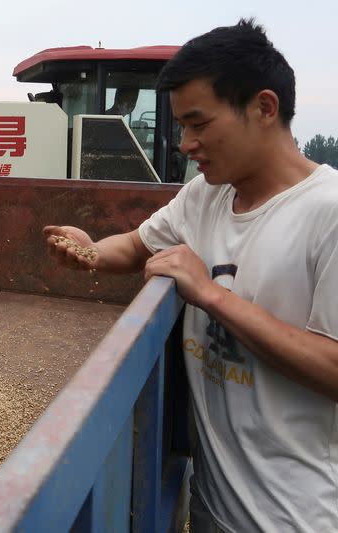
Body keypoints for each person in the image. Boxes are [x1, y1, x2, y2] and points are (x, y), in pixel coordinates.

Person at [45, 19, 338, 533]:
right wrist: (91, 251)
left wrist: (209, 295)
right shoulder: (207, 194)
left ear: (264, 108)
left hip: (293, 517)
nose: (185, 144)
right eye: (181, 126)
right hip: (210, 507)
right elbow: (136, 246)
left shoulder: (328, 212)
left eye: (199, 124)